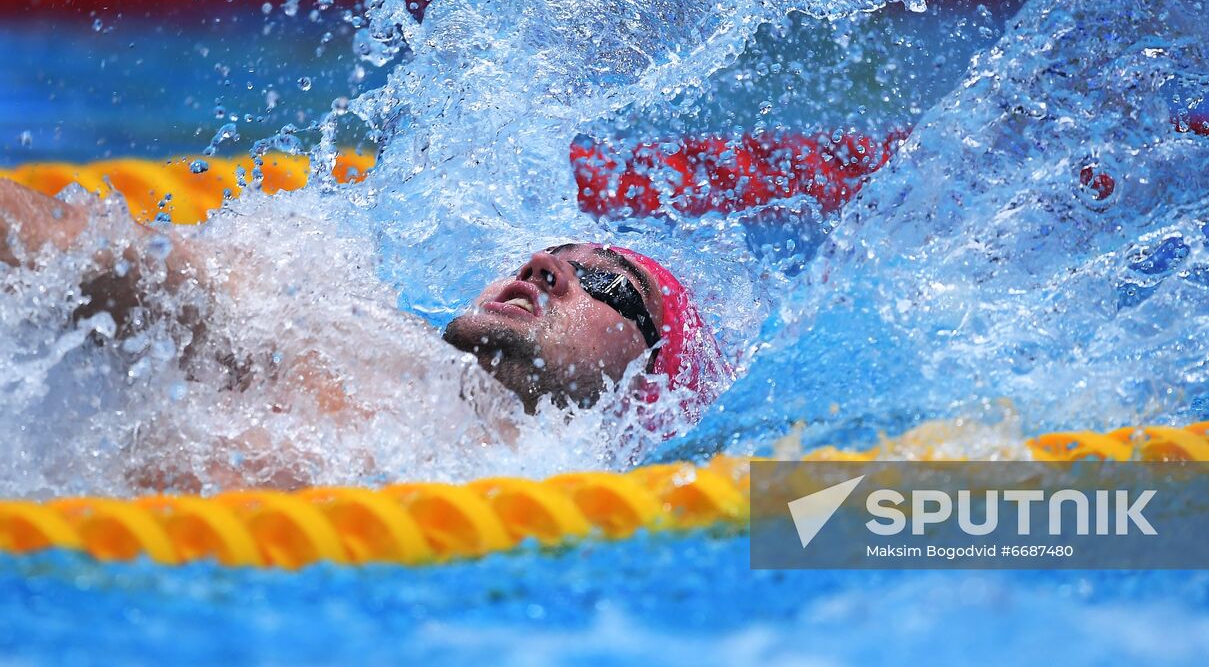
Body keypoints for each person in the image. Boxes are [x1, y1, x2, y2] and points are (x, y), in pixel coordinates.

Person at [0, 177, 727, 428]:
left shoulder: (633, 497)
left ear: (651, 380)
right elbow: (89, 251)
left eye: (601, 280)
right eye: (547, 257)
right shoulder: (333, 332)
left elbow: (838, 522)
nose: (543, 266)